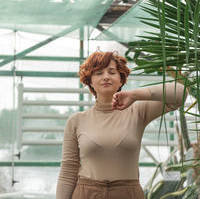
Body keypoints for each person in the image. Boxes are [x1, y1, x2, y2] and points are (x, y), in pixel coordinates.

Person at [56, 51, 186, 199]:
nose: (106, 76)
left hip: (128, 194)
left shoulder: (137, 111)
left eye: (112, 72)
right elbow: (68, 170)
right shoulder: (77, 120)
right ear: (90, 81)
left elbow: (180, 93)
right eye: (98, 73)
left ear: (121, 79)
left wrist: (135, 95)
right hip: (86, 194)